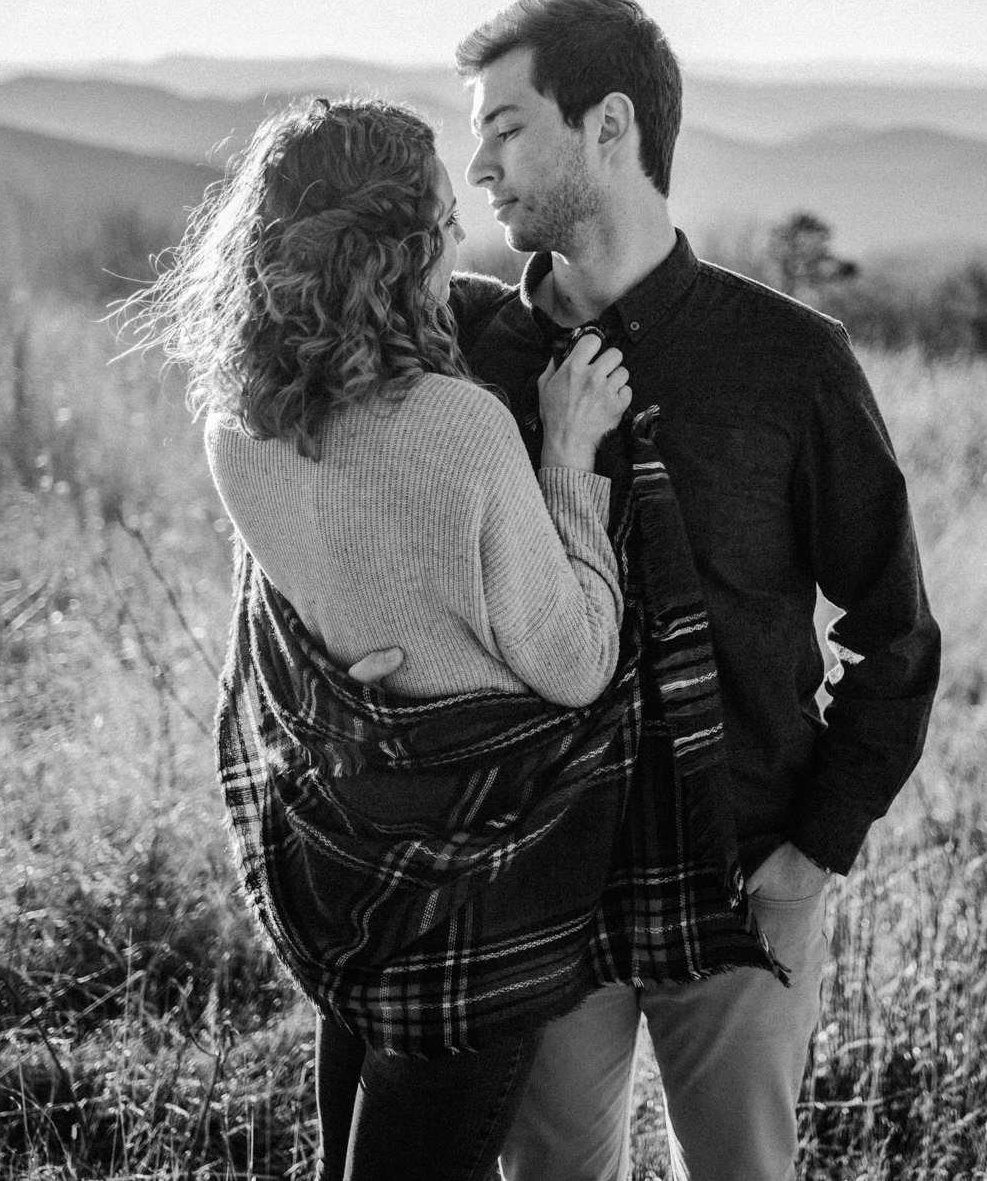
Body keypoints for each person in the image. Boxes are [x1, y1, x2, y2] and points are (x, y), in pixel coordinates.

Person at [445, 0, 943, 1181]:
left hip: (738, 874)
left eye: (506, 127)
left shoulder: (787, 360)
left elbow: (896, 631)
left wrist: (812, 855)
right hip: (539, 882)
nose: (477, 165)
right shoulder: (468, 362)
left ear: (608, 126)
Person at [131, 95, 638, 1180]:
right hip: (461, 896)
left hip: (341, 864)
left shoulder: (236, 419)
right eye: (446, 215)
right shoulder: (456, 430)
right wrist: (569, 457)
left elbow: (299, 607)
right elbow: (578, 659)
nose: (465, 236)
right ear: (403, 246)